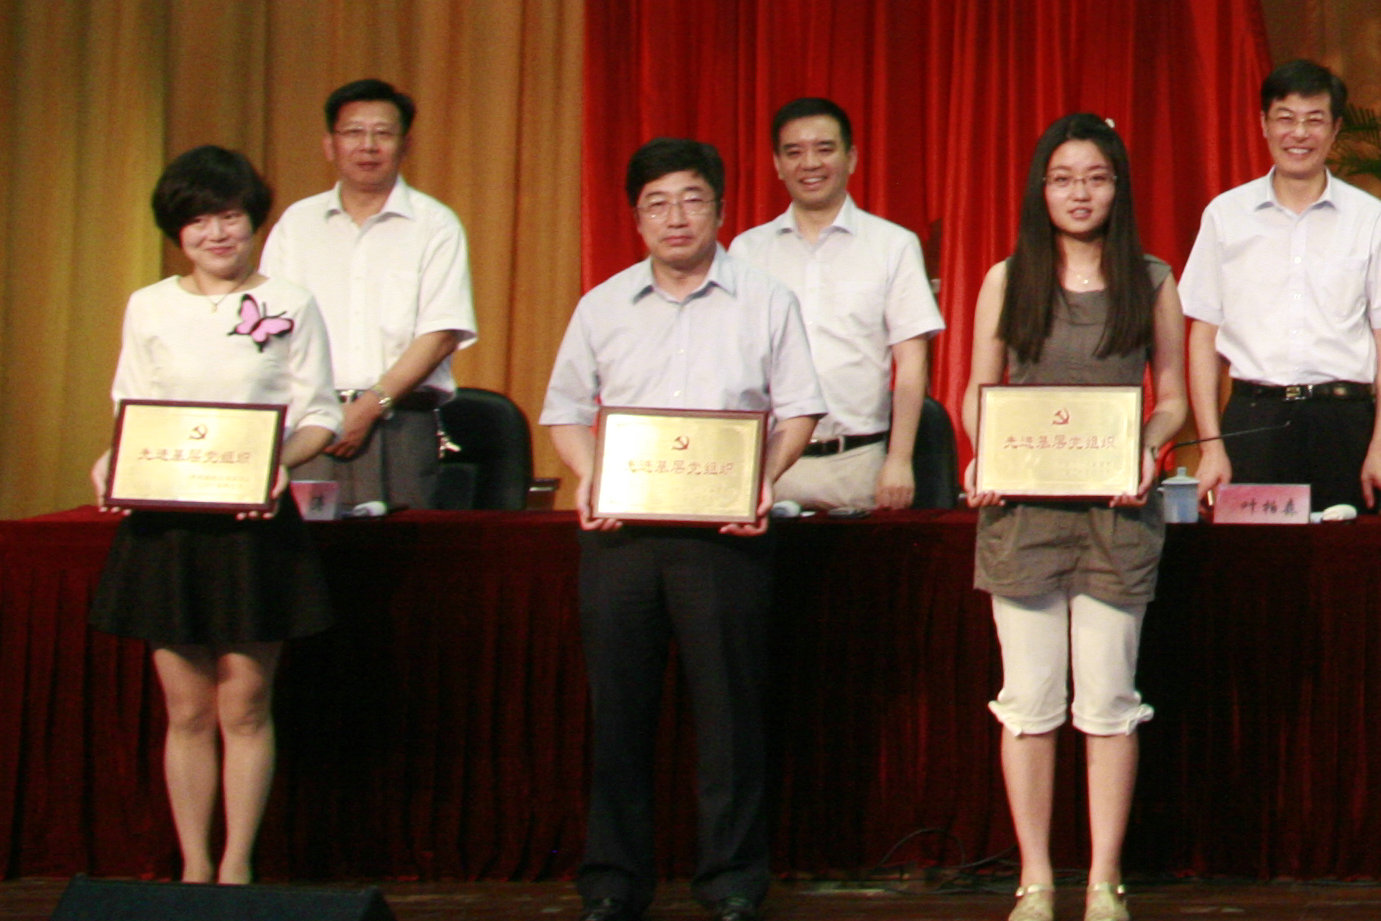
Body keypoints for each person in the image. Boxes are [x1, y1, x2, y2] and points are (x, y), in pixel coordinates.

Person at [541, 138, 824, 921]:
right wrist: (588, 472)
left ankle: (731, 881)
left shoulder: (766, 299)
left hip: (725, 537)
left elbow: (799, 407)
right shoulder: (602, 305)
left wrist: (762, 477)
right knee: (618, 715)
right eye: (657, 203)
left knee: (730, 717)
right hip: (621, 536)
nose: (675, 217)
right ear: (635, 218)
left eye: (692, 199)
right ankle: (612, 882)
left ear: (721, 210)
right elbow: (564, 410)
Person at [88, 146, 342, 884]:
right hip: (166, 528)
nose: (216, 232)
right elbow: (131, 409)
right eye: (199, 220)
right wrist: (112, 462)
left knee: (245, 704)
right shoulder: (150, 305)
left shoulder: (291, 303)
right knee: (187, 709)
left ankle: (236, 869)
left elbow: (321, 414)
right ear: (178, 231)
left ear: (253, 221)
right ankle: (194, 870)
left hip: (254, 529)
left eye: (229, 216)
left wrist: (278, 461)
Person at [961, 114, 1187, 921]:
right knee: (1028, 703)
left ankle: (1102, 881)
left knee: (1107, 701)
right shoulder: (1006, 278)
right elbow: (977, 390)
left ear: (1116, 186)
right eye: (1062, 179)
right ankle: (1034, 879)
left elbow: (1172, 399)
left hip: (1115, 519)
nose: (1078, 193)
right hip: (1021, 516)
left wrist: (1147, 452)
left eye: (1094, 177)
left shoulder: (1152, 280)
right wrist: (983, 454)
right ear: (1041, 189)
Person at [261, 77, 477, 510]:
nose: (368, 146)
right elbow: (269, 329)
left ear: (405, 145)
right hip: (307, 428)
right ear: (330, 145)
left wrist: (368, 407)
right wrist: (321, 417)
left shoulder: (435, 225)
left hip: (400, 426)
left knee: (398, 549)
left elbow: (440, 334)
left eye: (383, 133)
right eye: (354, 132)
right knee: (309, 548)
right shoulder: (296, 225)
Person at [1181, 59, 1381, 513]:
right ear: (1264, 124)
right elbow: (1204, 336)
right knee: (1257, 555)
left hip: (1345, 422)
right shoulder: (1226, 215)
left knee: (1347, 554)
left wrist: (1379, 444)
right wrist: (1211, 446)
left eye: (1315, 120)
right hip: (1254, 420)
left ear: (1335, 129)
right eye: (1286, 118)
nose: (1299, 134)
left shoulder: (1369, 218)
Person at [730, 97, 945, 510]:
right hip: (770, 465)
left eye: (824, 149)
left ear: (852, 158)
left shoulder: (892, 245)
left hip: (858, 464)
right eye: (794, 152)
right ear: (777, 164)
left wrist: (899, 460)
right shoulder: (748, 251)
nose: (809, 163)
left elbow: (912, 362)